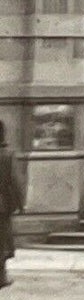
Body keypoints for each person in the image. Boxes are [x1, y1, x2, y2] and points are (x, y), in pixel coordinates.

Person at [0, 121, 23, 288]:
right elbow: (15, 182)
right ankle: (1, 276)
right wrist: (20, 203)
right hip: (1, 205)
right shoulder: (7, 155)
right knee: (2, 240)